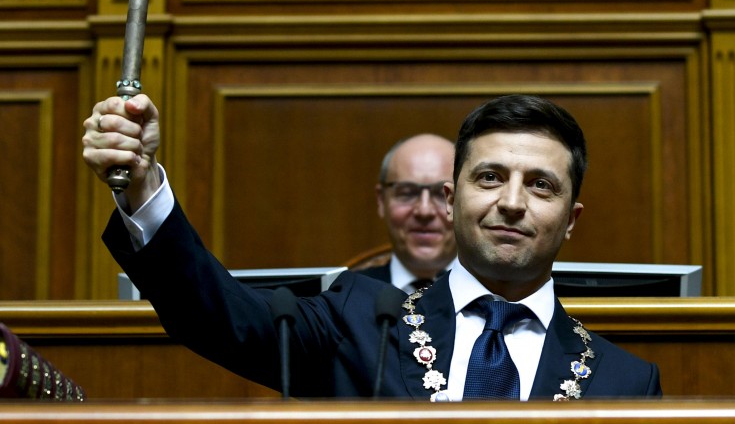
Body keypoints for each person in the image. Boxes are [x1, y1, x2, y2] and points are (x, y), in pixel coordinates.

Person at [82, 93, 661, 400]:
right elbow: (217, 315)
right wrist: (142, 187)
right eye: (489, 178)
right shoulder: (358, 321)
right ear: (452, 198)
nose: (511, 202)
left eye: (541, 185)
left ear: (570, 219)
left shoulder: (625, 381)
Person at [357, 134, 456, 292]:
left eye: (441, 194)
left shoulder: (494, 295)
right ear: (381, 200)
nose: (424, 211)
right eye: (407, 193)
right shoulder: (346, 296)